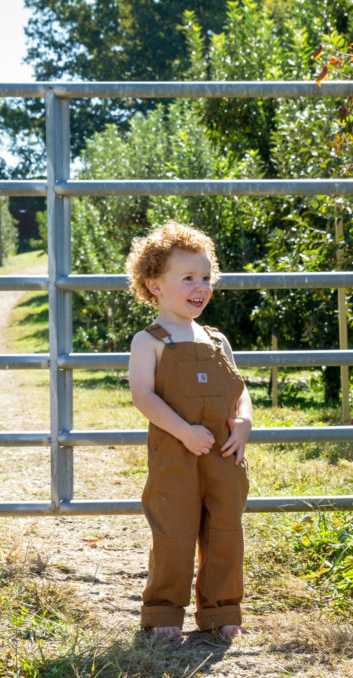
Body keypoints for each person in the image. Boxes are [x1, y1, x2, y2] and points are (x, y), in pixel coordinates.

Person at [126, 221, 253, 639]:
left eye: (205, 278)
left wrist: (245, 422)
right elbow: (143, 396)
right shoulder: (151, 341)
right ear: (154, 285)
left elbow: (240, 391)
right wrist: (183, 431)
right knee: (174, 532)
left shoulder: (217, 340)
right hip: (177, 456)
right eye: (187, 278)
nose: (200, 287)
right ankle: (163, 614)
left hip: (224, 457)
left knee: (225, 531)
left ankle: (222, 612)